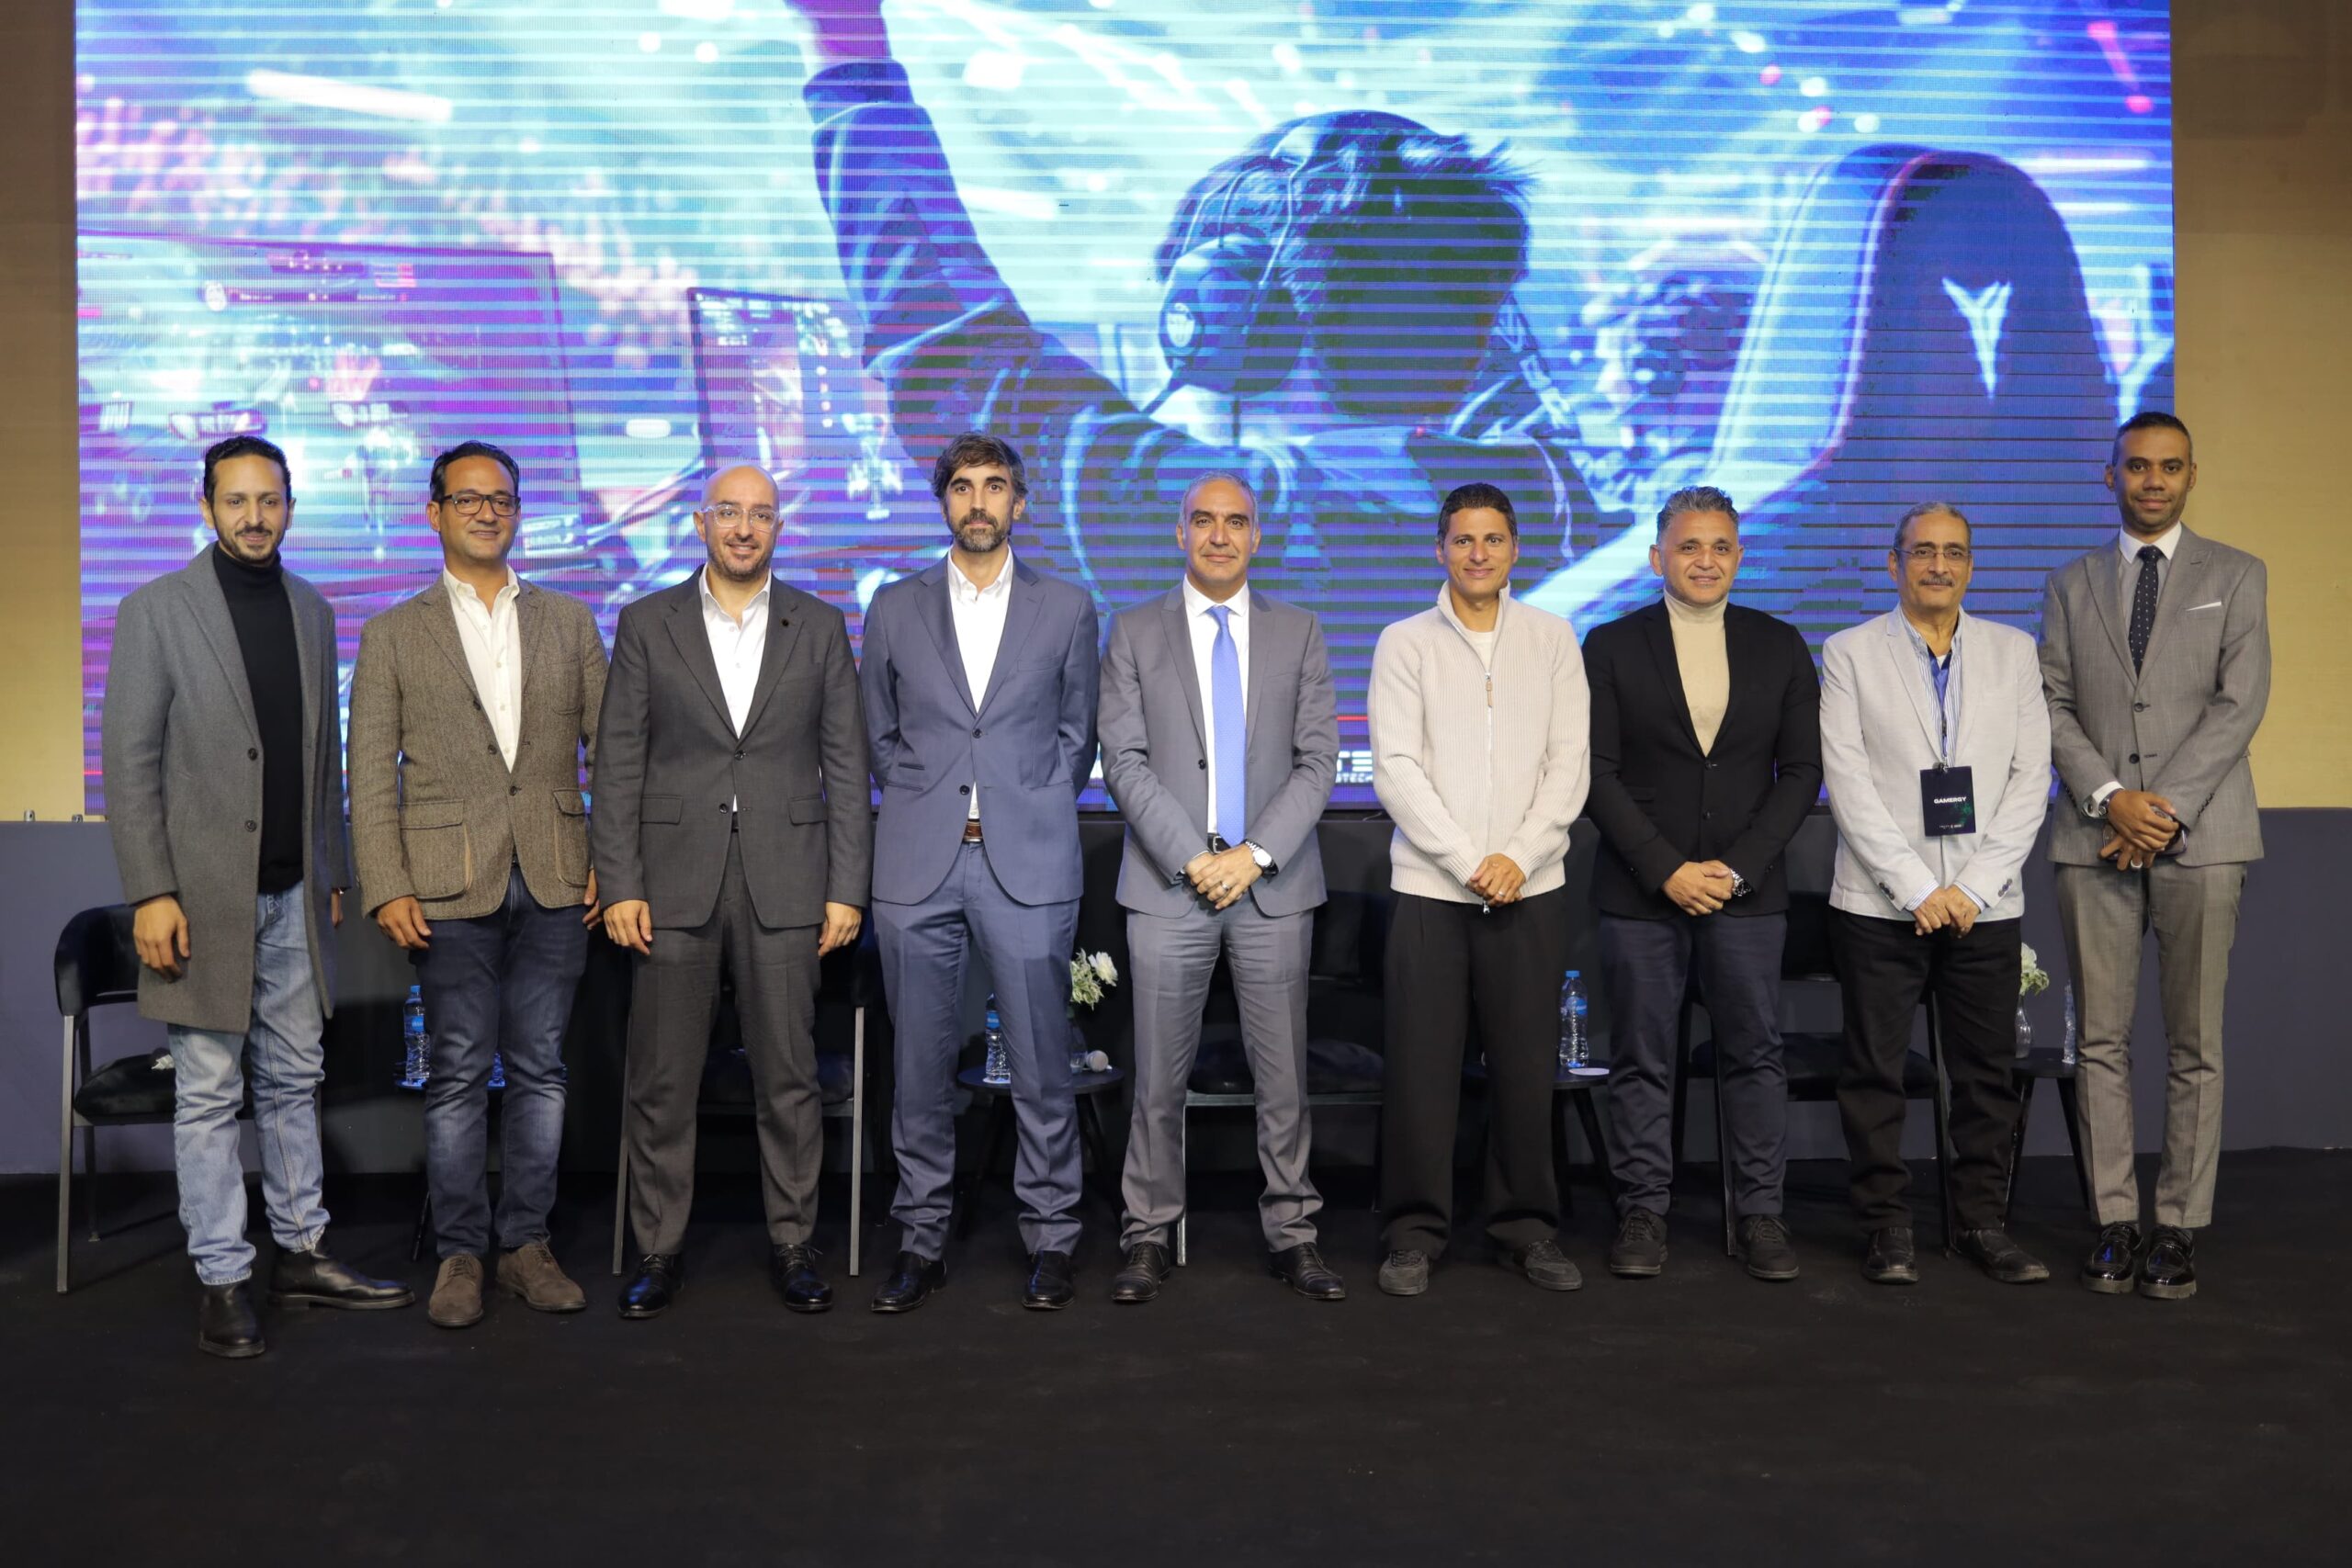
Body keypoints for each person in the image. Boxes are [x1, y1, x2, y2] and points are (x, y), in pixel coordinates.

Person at [788, 0, 1606, 763]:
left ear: (1228, 321)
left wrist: (844, 40)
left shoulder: (1228, 524)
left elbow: (953, 350)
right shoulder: (1539, 498)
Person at [101, 434, 412, 1359]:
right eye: (235, 500)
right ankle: (222, 1277)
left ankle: (303, 1253)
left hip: (295, 894)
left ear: (290, 506)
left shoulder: (313, 610)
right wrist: (152, 891)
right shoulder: (156, 610)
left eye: (269, 500)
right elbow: (130, 763)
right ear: (207, 507)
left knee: (294, 1081)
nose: (254, 516)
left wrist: (332, 870)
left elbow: (323, 758)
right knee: (206, 1093)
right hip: (199, 901)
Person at [590, 464, 872, 1319]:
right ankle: (658, 1250)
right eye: (728, 512)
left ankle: (794, 1245)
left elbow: (847, 766)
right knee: (663, 1082)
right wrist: (620, 882)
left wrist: (847, 887)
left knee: (788, 1078)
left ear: (779, 526)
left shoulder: (820, 624)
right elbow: (618, 762)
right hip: (670, 883)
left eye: (760, 514)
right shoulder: (647, 621)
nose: (744, 527)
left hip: (790, 881)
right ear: (700, 523)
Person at [347, 440, 608, 1328]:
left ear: (518, 513)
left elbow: (614, 750)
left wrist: (613, 861)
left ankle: (526, 1244)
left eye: (501, 499)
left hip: (557, 876)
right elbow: (368, 773)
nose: (487, 511)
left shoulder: (569, 621)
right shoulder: (393, 632)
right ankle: (461, 1254)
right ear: (434, 514)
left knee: (541, 1069)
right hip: (445, 883)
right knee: (458, 1072)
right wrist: (387, 883)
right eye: (468, 498)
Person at [861, 433, 1101, 1313]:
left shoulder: (1067, 607)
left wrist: (1024, 803)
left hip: (1027, 858)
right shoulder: (894, 606)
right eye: (962, 486)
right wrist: (932, 801)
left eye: (994, 486)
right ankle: (920, 1238)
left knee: (1042, 1064)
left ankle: (1052, 1236)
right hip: (918, 860)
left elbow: (1077, 737)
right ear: (944, 503)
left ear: (1019, 503)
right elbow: (879, 735)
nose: (978, 502)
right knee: (919, 1068)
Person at [1097, 473, 1344, 1303]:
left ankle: (1294, 1234)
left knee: (1284, 1082)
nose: (1219, 535)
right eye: (1202, 520)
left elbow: (1318, 761)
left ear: (1257, 536)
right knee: (1156, 1082)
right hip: (1170, 886)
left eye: (1235, 522)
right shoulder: (1133, 631)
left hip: (1272, 886)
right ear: (1179, 533)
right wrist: (1193, 857)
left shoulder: (1300, 630)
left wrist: (1254, 854)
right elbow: (1124, 761)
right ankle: (1147, 1234)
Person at [2040, 412, 2270, 1301]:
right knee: (2098, 1040)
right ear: (2111, 476)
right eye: (2136, 466)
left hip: (2203, 837)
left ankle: (2175, 1227)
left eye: (2169, 467)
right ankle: (2113, 1222)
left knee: (2194, 1042)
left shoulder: (2237, 575)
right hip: (2092, 836)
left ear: (2190, 476)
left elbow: (2240, 703)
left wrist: (2159, 811)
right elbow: (2051, 703)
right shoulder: (2068, 583)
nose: (2152, 481)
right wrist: (2112, 799)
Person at [1582, 486, 1821, 1281]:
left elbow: (1802, 772)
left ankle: (1760, 1214)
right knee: (1641, 1057)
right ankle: (1643, 1211)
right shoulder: (1610, 645)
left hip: (1747, 893)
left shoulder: (1780, 645)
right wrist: (1667, 869)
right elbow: (1597, 773)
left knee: (1754, 1055)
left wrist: (1738, 867)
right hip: (1641, 891)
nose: (1705, 560)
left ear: (1740, 557)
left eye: (1720, 546)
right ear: (1658, 556)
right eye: (1689, 546)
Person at [1818, 502, 2053, 1285]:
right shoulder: (1849, 653)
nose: (1939, 566)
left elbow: (2030, 779)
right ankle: (1887, 1226)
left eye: (1954, 552)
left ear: (1971, 566)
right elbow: (1848, 782)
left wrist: (1972, 888)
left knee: (1985, 1074)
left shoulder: (2014, 652)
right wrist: (1919, 886)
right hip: (1881, 903)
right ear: (1895, 564)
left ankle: (1982, 1221)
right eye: (1923, 552)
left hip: (1985, 904)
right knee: (1875, 1075)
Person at [1368, 482, 1591, 1297]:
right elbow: (1396, 767)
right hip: (1433, 890)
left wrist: (1519, 856)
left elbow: (1569, 764)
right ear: (1440, 549)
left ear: (1515, 549)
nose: (1478, 553)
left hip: (1531, 888)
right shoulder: (1403, 642)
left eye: (1493, 539)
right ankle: (1413, 1233)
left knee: (1526, 1071)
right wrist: (1470, 860)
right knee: (1421, 1073)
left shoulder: (1553, 637)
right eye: (1463, 539)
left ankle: (1526, 1229)